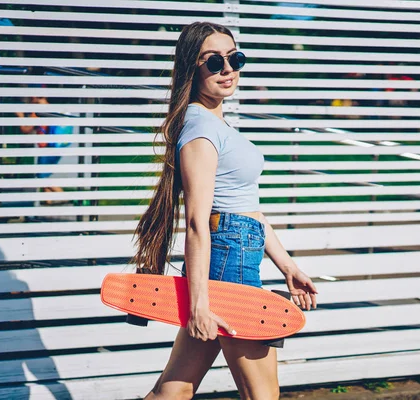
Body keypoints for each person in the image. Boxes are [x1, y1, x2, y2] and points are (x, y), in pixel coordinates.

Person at [132, 22, 318, 400]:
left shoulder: (217, 123)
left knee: (174, 391)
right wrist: (199, 304)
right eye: (213, 61)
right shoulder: (200, 129)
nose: (227, 69)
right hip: (227, 263)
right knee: (263, 395)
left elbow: (250, 212)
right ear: (191, 68)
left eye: (235, 58)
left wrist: (289, 268)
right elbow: (199, 223)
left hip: (233, 255)